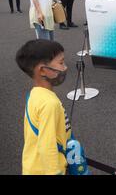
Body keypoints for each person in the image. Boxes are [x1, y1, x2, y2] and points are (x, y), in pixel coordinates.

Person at [16, 40, 71, 175]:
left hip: (34, 166)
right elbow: (47, 146)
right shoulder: (49, 104)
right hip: (46, 170)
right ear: (43, 70)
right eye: (61, 63)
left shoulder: (35, 94)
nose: (65, 67)